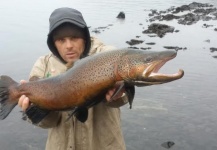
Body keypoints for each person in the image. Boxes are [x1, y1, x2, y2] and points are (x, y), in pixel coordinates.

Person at [18, 7, 129, 150]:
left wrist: (119, 93)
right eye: (61, 40)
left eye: (74, 38)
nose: (68, 46)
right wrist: (33, 109)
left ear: (85, 37)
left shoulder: (105, 55)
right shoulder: (43, 65)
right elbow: (49, 123)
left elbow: (123, 93)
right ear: (53, 42)